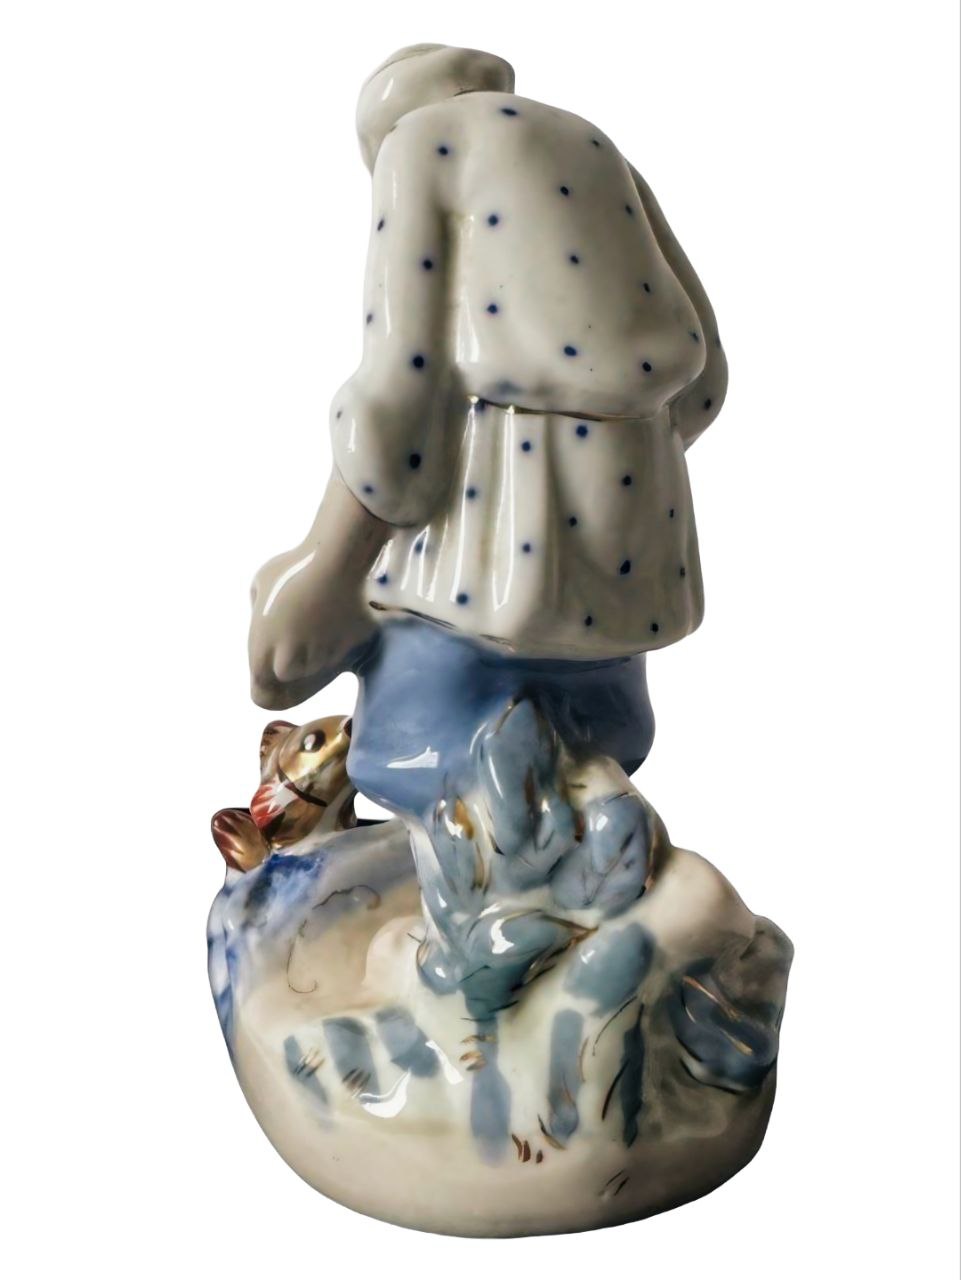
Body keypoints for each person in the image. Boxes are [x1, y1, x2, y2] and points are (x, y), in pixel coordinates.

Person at [247, 44, 727, 813]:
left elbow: (401, 386)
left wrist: (326, 565)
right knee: (598, 746)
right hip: (638, 516)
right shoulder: (593, 145)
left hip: (498, 520)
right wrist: (626, 476)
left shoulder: (420, 142)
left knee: (432, 758)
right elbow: (702, 385)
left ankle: (465, 875)